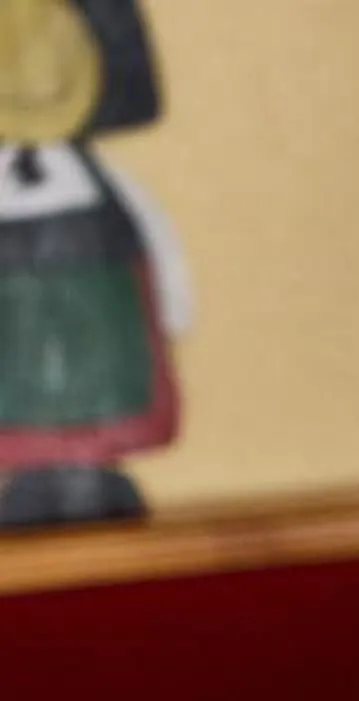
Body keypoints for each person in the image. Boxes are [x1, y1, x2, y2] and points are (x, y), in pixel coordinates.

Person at [0, 0, 183, 525]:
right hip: (13, 341)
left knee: (107, 398)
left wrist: (172, 303)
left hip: (104, 330)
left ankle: (92, 473)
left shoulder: (104, 184)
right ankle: (32, 478)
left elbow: (155, 236)